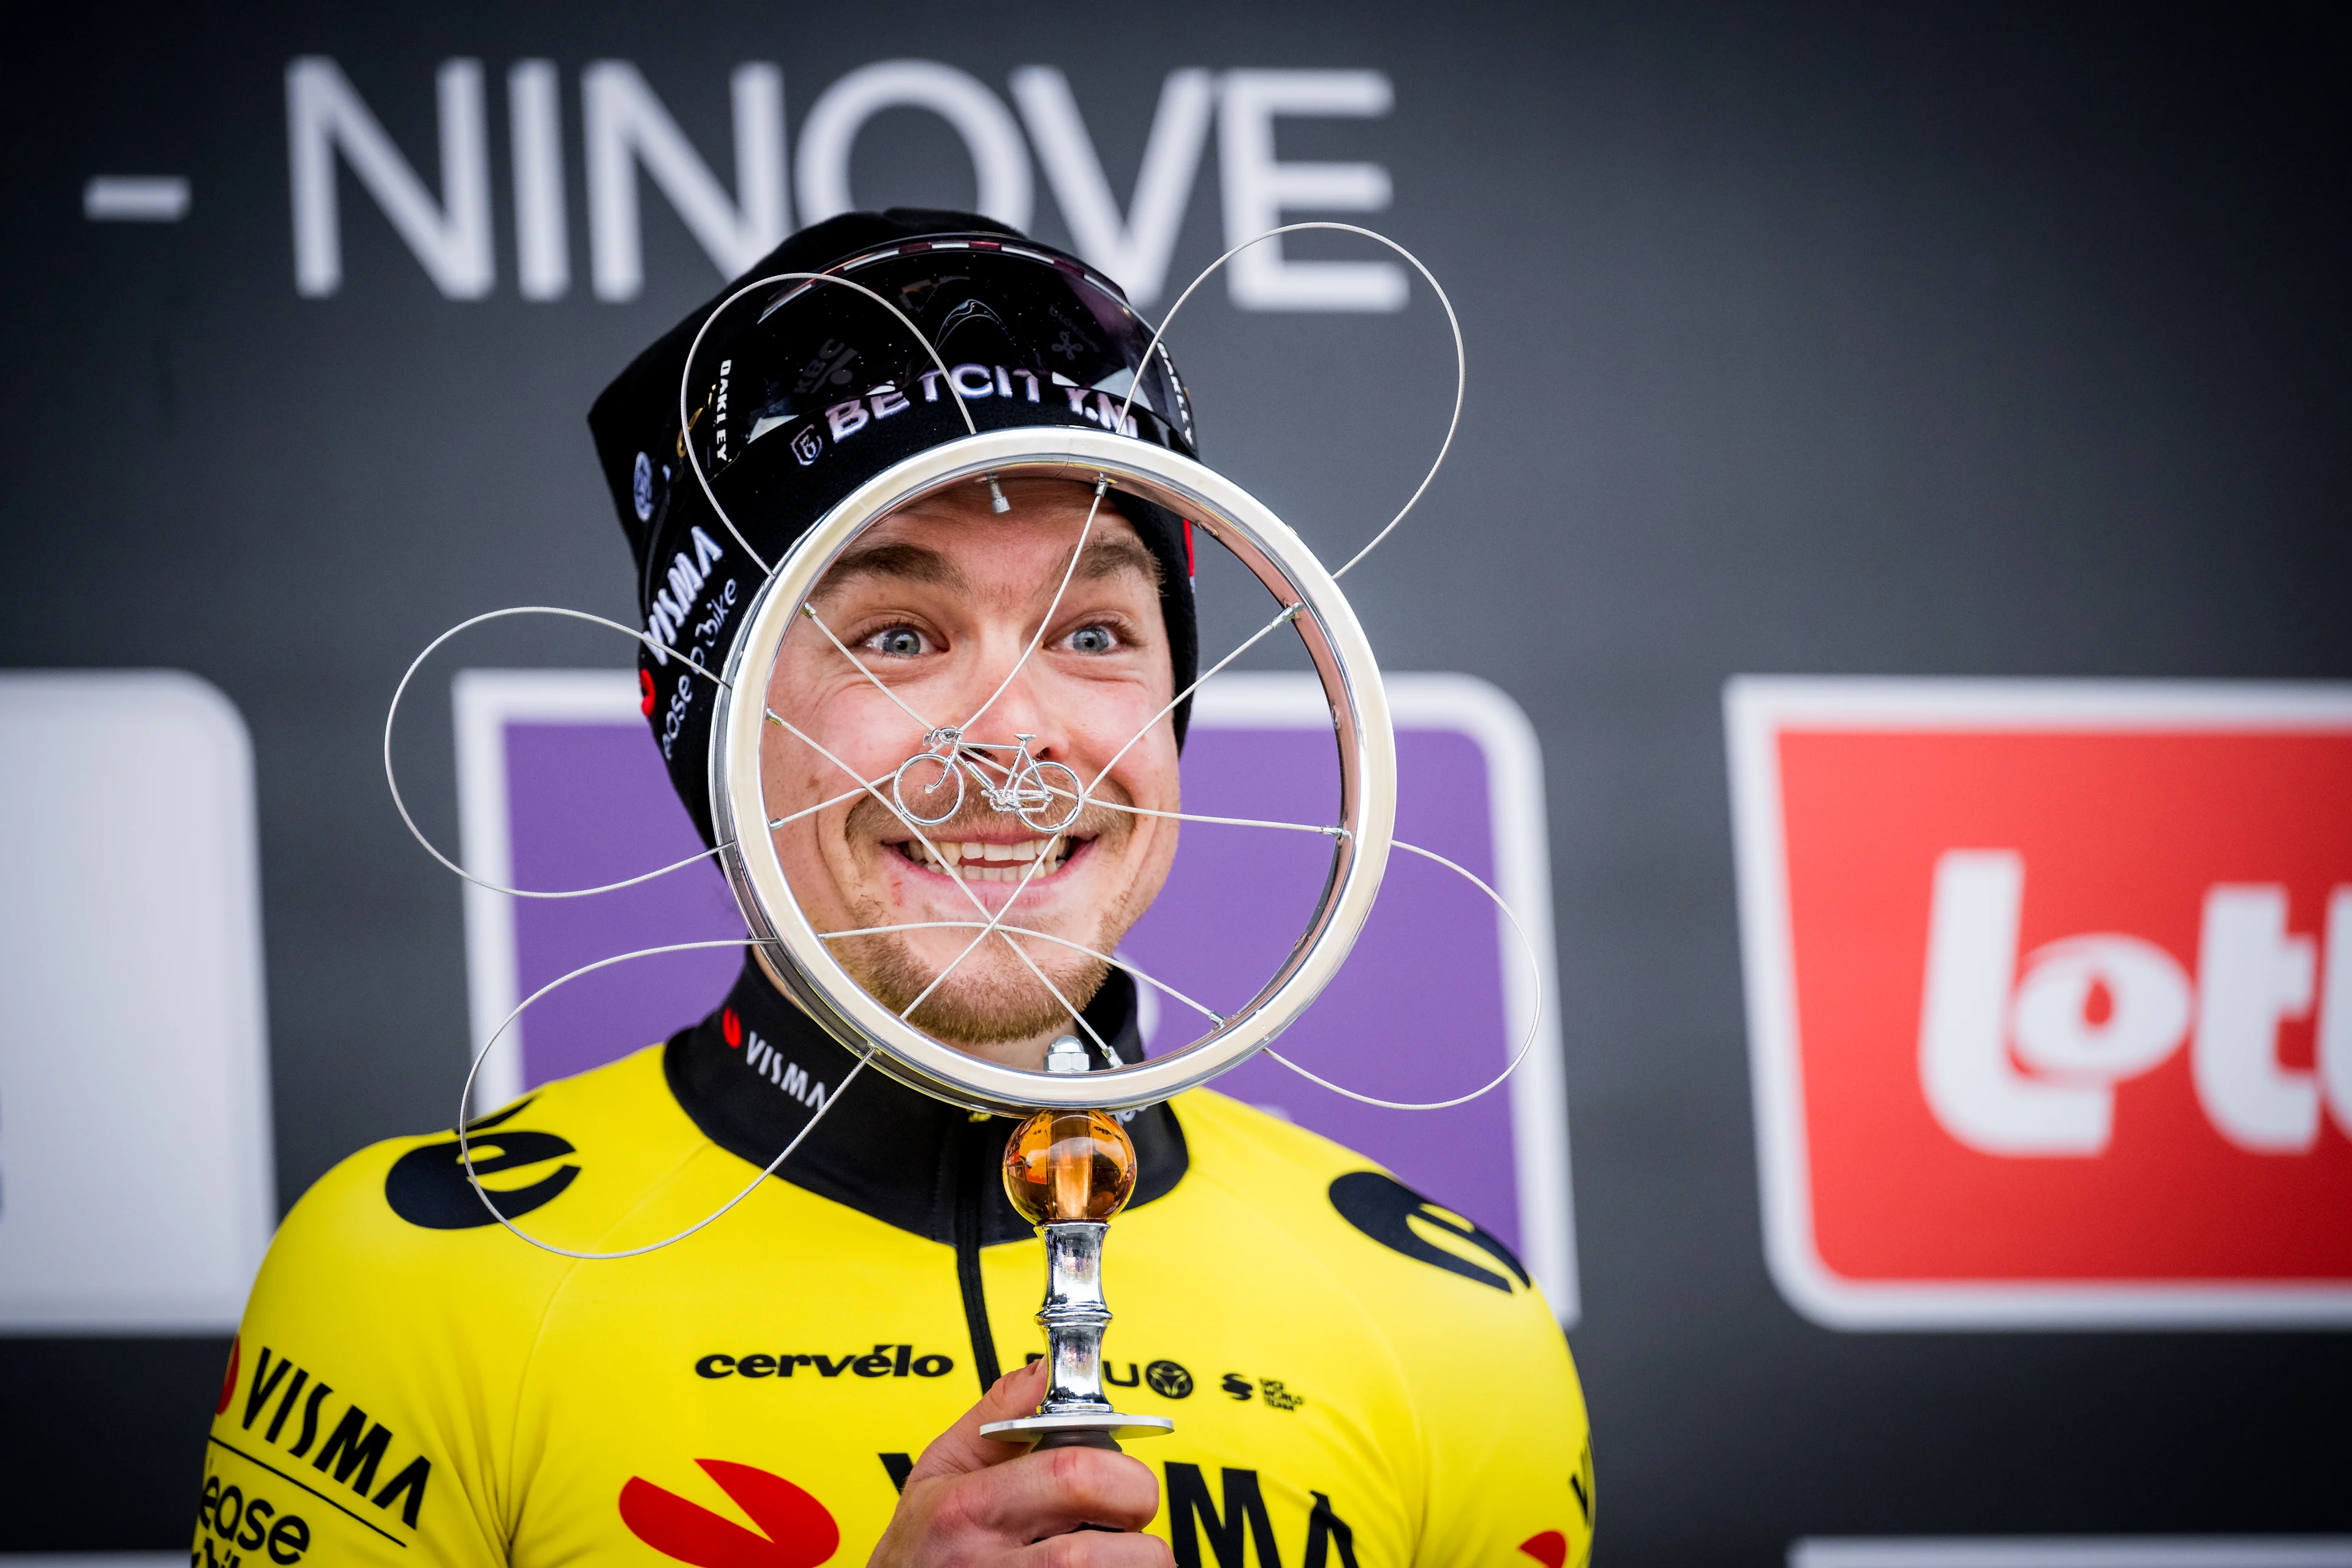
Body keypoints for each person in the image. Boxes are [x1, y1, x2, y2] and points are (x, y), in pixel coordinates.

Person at [191, 211, 1594, 1568]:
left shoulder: (1448, 1321)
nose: (1015, 734)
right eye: (901, 634)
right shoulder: (415, 1280)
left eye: (1095, 628)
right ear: (723, 730)